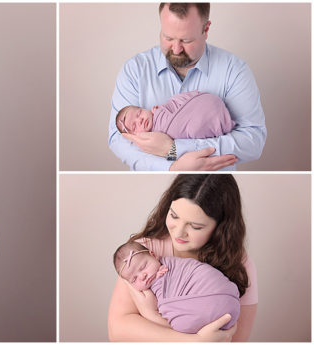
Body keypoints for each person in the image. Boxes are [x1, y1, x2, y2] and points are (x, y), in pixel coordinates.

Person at [107, 3, 266, 171]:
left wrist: (174, 148)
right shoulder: (135, 70)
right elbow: (119, 140)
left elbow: (253, 142)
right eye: (168, 38)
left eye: (186, 40)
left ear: (206, 30)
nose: (176, 49)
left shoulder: (234, 70)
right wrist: (172, 168)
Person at [108, 174, 256, 341]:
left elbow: (238, 339)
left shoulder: (237, 263)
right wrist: (194, 340)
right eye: (174, 216)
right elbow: (117, 331)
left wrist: (150, 315)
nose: (178, 233)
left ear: (221, 227)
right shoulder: (140, 255)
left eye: (195, 226)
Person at [112, 241, 240, 334]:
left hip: (220, 294)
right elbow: (115, 331)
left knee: (181, 324)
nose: (143, 276)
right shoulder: (146, 291)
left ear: (153, 255)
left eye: (143, 267)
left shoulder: (171, 266)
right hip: (226, 309)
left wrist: (151, 313)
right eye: (134, 279)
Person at [115, 91, 234, 139]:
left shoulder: (160, 110)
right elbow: (169, 154)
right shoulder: (150, 141)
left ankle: (215, 114)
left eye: (139, 113)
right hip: (194, 125)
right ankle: (219, 122)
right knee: (194, 128)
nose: (140, 120)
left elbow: (175, 104)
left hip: (198, 104)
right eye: (134, 126)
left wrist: (160, 110)